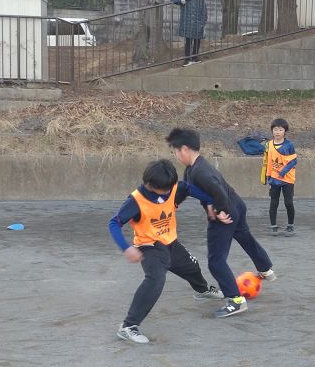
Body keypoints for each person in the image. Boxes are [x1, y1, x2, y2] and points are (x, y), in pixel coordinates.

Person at [109, 159, 228, 344]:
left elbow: (187, 188)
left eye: (169, 188)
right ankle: (128, 326)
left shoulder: (173, 187)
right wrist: (126, 248)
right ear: (149, 184)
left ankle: (202, 291)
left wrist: (210, 202)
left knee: (192, 266)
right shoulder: (136, 200)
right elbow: (114, 223)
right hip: (149, 246)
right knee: (155, 280)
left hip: (170, 242)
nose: (167, 192)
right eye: (163, 190)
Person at [166, 128, 277, 318]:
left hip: (226, 211)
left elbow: (218, 192)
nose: (175, 156)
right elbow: (187, 189)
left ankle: (235, 300)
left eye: (175, 151)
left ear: (184, 149)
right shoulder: (195, 168)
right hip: (237, 205)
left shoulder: (199, 172)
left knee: (216, 261)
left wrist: (219, 211)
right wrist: (172, 205)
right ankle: (265, 268)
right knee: (244, 236)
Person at [262, 118, 297, 236]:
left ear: (285, 131)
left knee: (288, 203)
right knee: (274, 202)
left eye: (280, 129)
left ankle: (290, 225)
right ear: (272, 131)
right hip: (274, 179)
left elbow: (293, 161)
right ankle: (273, 226)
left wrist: (283, 172)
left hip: (288, 179)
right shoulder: (269, 144)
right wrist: (266, 176)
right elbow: (267, 162)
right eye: (275, 129)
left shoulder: (289, 145)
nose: (277, 132)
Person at [171, 0, 207, 67]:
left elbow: (204, 10)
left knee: (197, 41)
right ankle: (187, 60)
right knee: (188, 42)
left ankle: (195, 57)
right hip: (187, 22)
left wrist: (203, 22)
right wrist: (180, 0)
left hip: (198, 22)